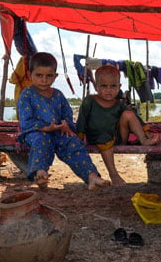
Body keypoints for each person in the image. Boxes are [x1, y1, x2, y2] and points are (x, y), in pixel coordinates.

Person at [17, 52, 111, 190]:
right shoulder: (26, 94)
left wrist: (66, 124)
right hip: (35, 133)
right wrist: (45, 128)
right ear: (30, 74)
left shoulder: (58, 95)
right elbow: (25, 121)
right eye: (39, 75)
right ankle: (40, 173)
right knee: (41, 141)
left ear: (55, 76)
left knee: (73, 143)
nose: (44, 80)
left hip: (58, 132)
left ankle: (92, 177)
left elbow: (67, 114)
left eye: (49, 76)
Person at [76, 64, 159, 186]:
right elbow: (81, 121)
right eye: (104, 86)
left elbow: (136, 119)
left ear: (119, 86)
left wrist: (147, 131)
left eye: (113, 86)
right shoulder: (89, 101)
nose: (108, 90)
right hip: (97, 138)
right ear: (96, 86)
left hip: (117, 137)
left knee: (129, 114)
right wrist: (79, 140)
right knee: (103, 135)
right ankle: (114, 174)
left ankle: (143, 140)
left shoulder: (119, 104)